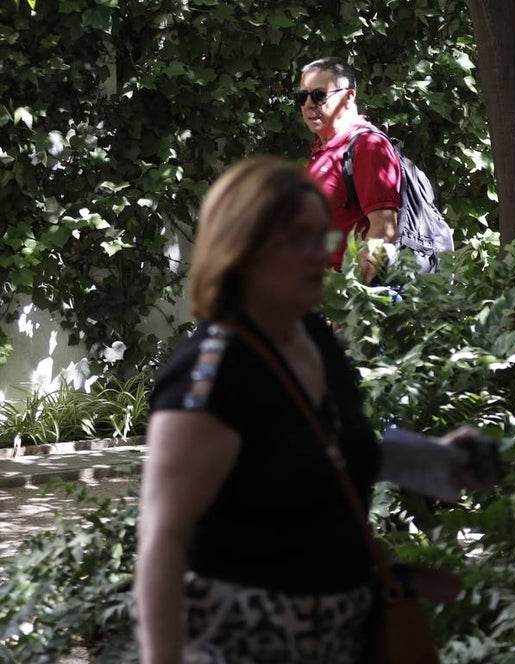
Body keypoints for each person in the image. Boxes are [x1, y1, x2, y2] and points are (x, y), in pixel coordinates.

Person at [134, 157, 482, 664]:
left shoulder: (314, 337)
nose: (321, 253)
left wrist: (433, 462)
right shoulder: (211, 375)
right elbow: (161, 539)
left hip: (342, 638)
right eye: (296, 238)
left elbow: (323, 449)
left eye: (321, 236)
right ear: (242, 249)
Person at [299, 57, 401, 284]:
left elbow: (383, 231)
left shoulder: (367, 146)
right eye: (302, 96)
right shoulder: (324, 148)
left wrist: (350, 297)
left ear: (348, 97)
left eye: (319, 95)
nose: (308, 104)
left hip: (345, 301)